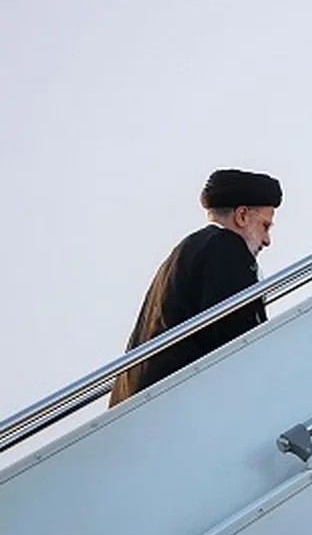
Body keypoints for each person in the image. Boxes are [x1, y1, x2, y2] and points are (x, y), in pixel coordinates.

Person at [108, 168, 283, 407]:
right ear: (242, 216)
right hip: (176, 404)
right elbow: (239, 341)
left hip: (140, 402)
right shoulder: (226, 248)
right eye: (265, 226)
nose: (267, 240)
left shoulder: (187, 250)